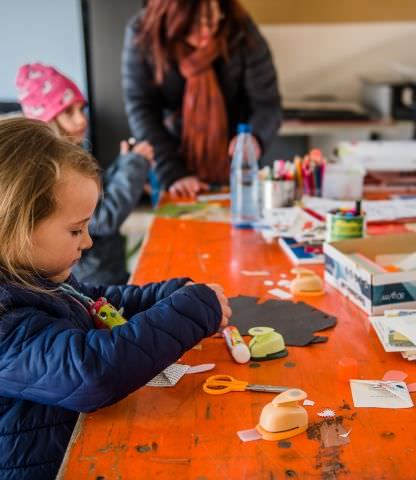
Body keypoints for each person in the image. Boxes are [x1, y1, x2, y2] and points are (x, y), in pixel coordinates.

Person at [0, 117, 231, 480]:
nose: (88, 242)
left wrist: (170, 295)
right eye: (76, 229)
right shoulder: (3, 320)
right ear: (13, 226)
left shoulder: (32, 276)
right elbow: (93, 371)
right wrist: (192, 311)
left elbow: (95, 301)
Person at [122, 0, 282, 198]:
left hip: (234, 164)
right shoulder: (143, 33)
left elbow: (267, 104)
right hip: (170, 158)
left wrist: (255, 138)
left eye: (212, 20)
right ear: (172, 15)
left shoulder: (240, 29)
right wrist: (172, 172)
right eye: (195, 23)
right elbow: (142, 109)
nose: (206, 31)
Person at [16, 62, 154, 284]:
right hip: (92, 278)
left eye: (81, 109)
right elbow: (105, 215)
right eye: (68, 112)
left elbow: (98, 191)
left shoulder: (72, 155)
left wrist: (123, 165)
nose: (81, 119)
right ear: (47, 120)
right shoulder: (55, 172)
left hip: (109, 266)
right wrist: (134, 167)